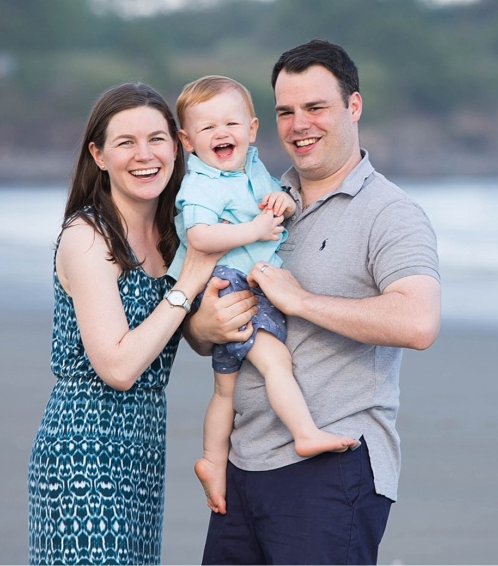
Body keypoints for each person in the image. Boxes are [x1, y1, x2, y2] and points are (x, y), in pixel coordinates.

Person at [185, 40, 442, 565]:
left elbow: (418, 321)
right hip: (242, 465)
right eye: (286, 111)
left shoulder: (390, 212)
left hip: (332, 468)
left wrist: (301, 300)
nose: (300, 124)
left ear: (353, 106)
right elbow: (205, 330)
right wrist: (205, 326)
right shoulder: (257, 196)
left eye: (316, 107)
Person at [27, 82, 225, 565]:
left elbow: (191, 337)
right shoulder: (88, 235)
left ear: (177, 146)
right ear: (98, 155)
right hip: (82, 450)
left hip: (143, 447)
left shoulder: (177, 231)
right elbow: (118, 367)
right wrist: (190, 281)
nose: (145, 155)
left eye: (157, 139)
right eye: (125, 142)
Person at [169, 75, 357, 515]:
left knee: (225, 389)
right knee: (276, 361)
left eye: (231, 124)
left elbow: (275, 198)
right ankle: (305, 432)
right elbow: (198, 236)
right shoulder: (200, 184)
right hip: (229, 281)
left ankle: (212, 460)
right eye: (208, 127)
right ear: (187, 141)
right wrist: (254, 229)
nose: (222, 133)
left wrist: (284, 204)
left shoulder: (251, 167)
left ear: (252, 129)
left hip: (240, 279)